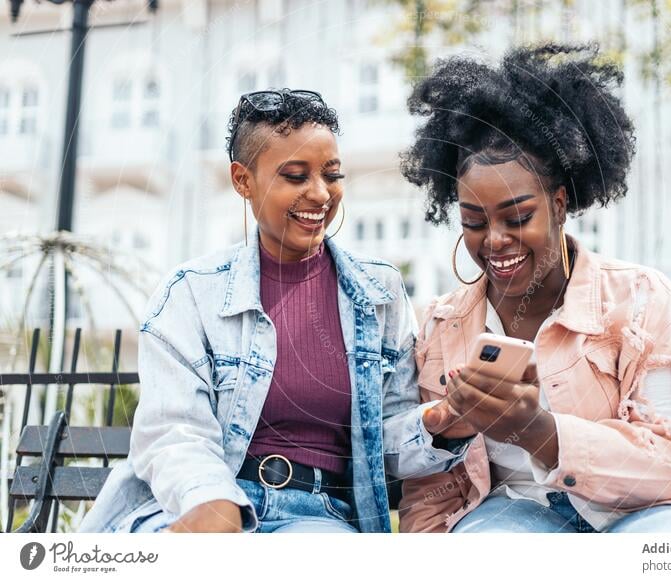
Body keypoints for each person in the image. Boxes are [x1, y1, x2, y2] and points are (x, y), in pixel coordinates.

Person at [399, 45, 671, 533]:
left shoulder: (643, 302)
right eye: (474, 222)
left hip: (651, 514)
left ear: (559, 204)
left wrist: (539, 432)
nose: (494, 241)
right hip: (514, 517)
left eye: (518, 217)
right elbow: (434, 492)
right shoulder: (442, 326)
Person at [79, 89, 465, 533]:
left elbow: (388, 446)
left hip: (315, 518)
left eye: (332, 174)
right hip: (195, 507)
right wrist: (212, 503)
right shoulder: (191, 293)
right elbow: (173, 431)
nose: (320, 193)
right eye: (295, 176)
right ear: (243, 180)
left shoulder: (380, 293)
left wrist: (443, 422)